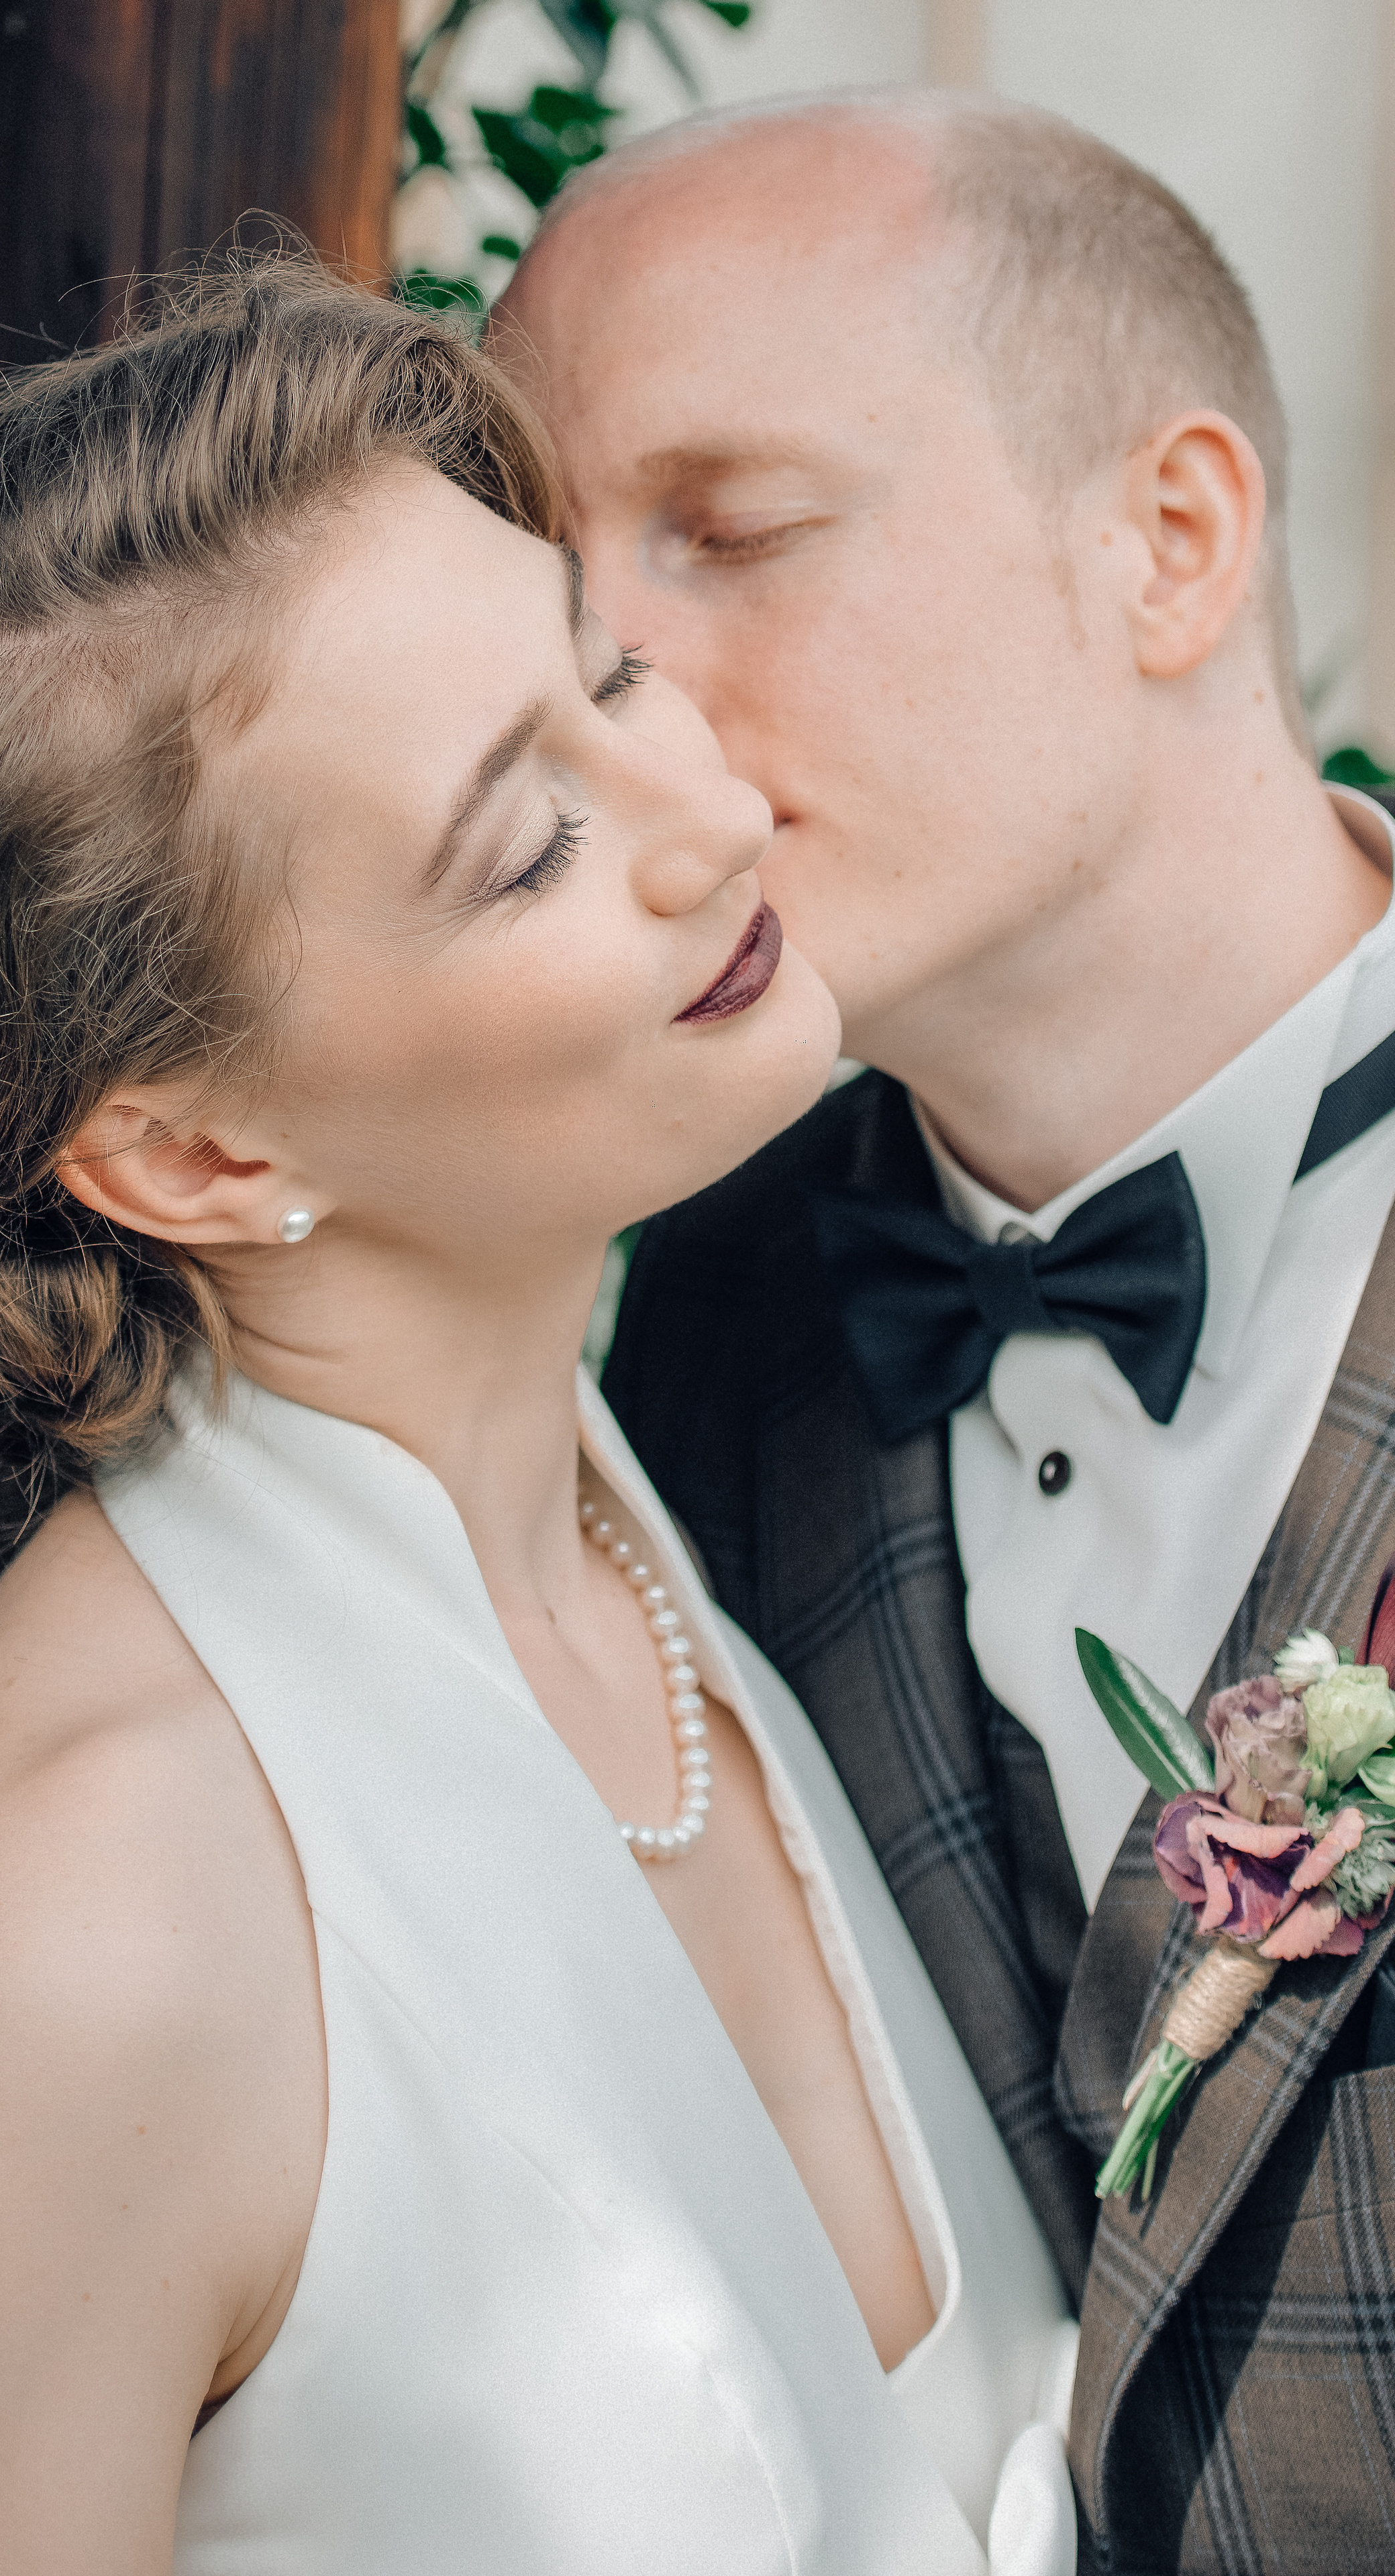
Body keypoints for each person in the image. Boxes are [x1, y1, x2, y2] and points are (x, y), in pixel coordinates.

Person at [0, 265, 1076, 2574]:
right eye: (522, 844)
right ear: (198, 1160)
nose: (708, 813)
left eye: (607, 670)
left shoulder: (650, 1533)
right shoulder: (54, 1953)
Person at [495, 87, 1395, 2575]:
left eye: (733, 531)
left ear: (1171, 542)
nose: (603, 681)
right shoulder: (678, 1329)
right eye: (547, 569)